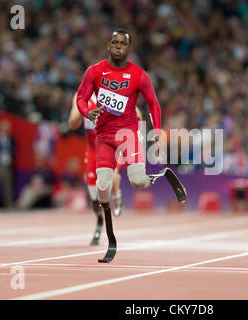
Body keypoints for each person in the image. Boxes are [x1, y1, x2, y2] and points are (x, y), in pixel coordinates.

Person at [76, 28, 165, 257]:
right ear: (108, 45)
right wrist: (88, 112)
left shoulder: (139, 75)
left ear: (128, 48)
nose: (118, 47)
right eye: (114, 42)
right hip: (104, 137)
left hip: (128, 136)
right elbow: (81, 97)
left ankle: (155, 176)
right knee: (102, 187)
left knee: (137, 181)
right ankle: (109, 234)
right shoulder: (94, 71)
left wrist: (156, 130)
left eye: (122, 43)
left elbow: (153, 104)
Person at [68, 92, 126, 245]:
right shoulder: (81, 96)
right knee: (95, 197)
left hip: (112, 144)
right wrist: (82, 109)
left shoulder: (113, 94)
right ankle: (99, 221)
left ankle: (116, 190)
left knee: (111, 178)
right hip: (93, 149)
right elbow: (72, 124)